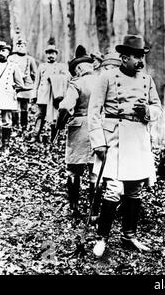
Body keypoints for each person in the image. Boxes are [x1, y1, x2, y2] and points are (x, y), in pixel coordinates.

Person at [88, 35, 162, 257]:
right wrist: (98, 141)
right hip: (114, 139)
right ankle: (102, 238)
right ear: (123, 57)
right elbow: (94, 111)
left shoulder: (147, 80)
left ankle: (129, 235)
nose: (140, 61)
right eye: (137, 57)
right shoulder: (107, 77)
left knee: (134, 191)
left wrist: (147, 112)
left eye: (142, 57)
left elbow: (158, 107)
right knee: (113, 190)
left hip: (138, 138)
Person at [55, 45, 97, 217]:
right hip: (98, 128)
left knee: (74, 170)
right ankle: (94, 211)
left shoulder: (77, 83)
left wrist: (59, 125)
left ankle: (74, 208)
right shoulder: (102, 82)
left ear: (79, 68)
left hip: (78, 129)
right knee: (96, 171)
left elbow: (65, 107)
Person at [0, 41, 28, 150]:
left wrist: (12, 90)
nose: (0, 53)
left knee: (7, 122)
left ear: (8, 52)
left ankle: (5, 146)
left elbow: (20, 84)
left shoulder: (13, 66)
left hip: (7, 98)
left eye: (3, 50)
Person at [30, 43, 69, 143]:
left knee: (55, 117)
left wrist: (55, 79)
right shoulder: (41, 66)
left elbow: (66, 79)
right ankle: (35, 135)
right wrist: (34, 95)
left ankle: (53, 138)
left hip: (55, 96)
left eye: (53, 53)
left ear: (56, 55)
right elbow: (36, 82)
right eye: (48, 53)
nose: (50, 55)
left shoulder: (61, 67)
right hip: (43, 95)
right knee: (40, 115)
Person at [8, 38, 37, 133]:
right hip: (14, 86)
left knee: (24, 107)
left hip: (26, 86)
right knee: (14, 106)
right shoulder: (11, 58)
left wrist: (34, 85)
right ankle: (15, 125)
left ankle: (24, 126)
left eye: (22, 46)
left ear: (26, 47)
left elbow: (35, 74)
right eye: (18, 46)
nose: (20, 47)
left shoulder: (30, 59)